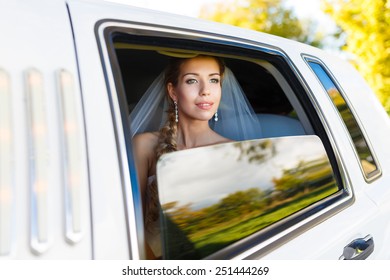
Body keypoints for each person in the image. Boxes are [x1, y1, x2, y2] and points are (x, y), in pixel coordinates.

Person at [130, 54, 262, 259]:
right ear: (173, 91)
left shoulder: (233, 152)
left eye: (214, 80)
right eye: (192, 80)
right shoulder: (144, 145)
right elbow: (131, 221)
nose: (206, 91)